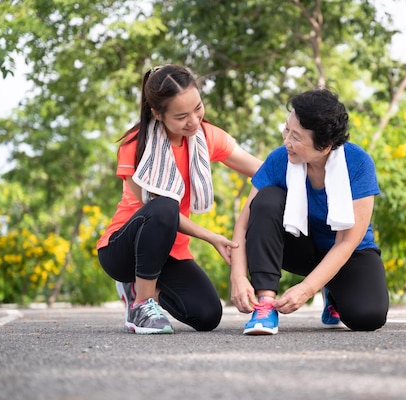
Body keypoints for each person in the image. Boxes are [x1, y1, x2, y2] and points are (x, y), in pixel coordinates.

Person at [97, 64, 261, 334]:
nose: (194, 121)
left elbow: (262, 169)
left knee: (207, 315)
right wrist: (211, 237)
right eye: (181, 116)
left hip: (171, 251)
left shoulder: (205, 136)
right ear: (157, 114)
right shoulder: (135, 145)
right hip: (124, 250)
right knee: (164, 204)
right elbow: (159, 210)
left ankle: (140, 286)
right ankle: (141, 303)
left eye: (198, 108)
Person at [230, 88, 389, 335]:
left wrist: (306, 289)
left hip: (348, 253)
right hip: (300, 248)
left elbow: (347, 243)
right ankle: (265, 304)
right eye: (287, 130)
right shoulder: (280, 159)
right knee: (267, 199)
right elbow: (243, 225)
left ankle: (333, 292)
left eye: (296, 137)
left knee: (368, 317)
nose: (286, 142)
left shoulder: (358, 164)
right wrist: (238, 277)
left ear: (325, 146)